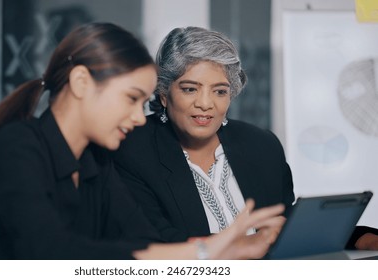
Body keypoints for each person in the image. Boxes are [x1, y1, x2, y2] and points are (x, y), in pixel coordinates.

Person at [0, 22, 285, 260]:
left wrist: (226, 250)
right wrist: (206, 252)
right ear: (81, 83)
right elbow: (52, 256)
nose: (140, 117)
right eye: (132, 99)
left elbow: (142, 244)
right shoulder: (18, 146)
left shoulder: (96, 163)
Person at [112, 26, 378, 251]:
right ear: (163, 94)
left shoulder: (261, 145)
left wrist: (360, 239)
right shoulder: (131, 148)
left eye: (219, 91)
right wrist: (247, 245)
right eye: (190, 89)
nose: (205, 104)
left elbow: (284, 228)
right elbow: (151, 243)